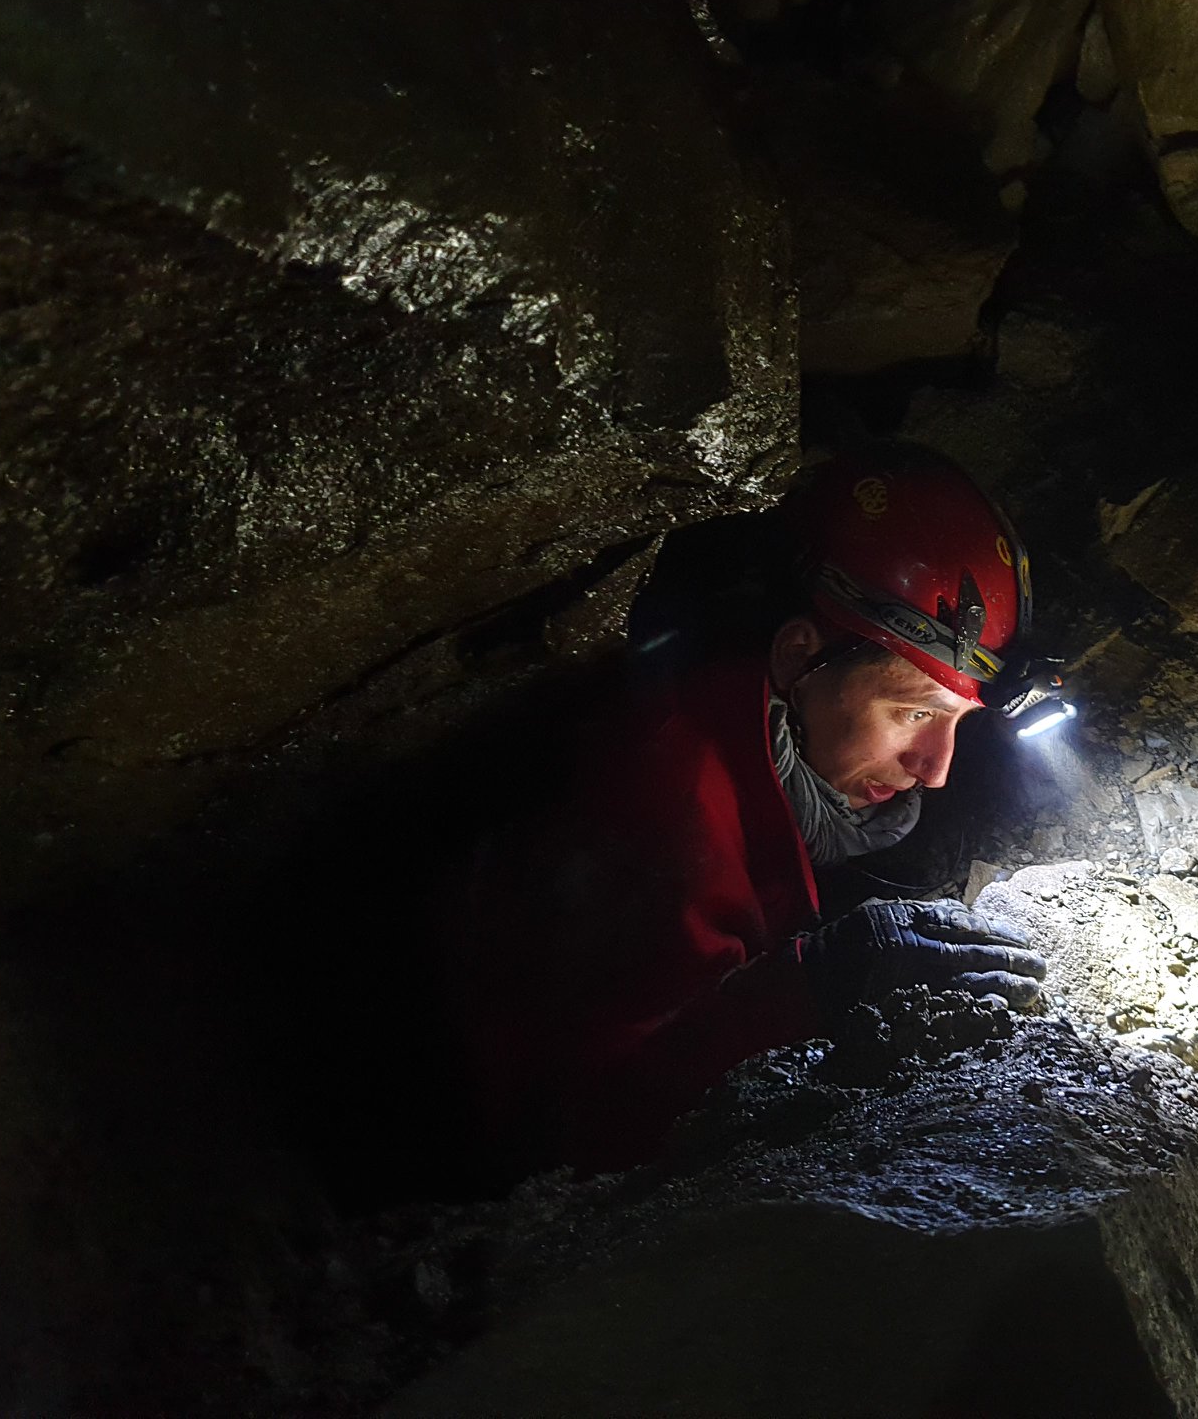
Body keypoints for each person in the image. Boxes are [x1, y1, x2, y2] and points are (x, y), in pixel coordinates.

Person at [449, 443, 1056, 1173]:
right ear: (800, 657)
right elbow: (581, 1129)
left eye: (958, 723)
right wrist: (816, 979)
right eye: (914, 714)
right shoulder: (670, 794)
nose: (935, 772)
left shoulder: (780, 766)